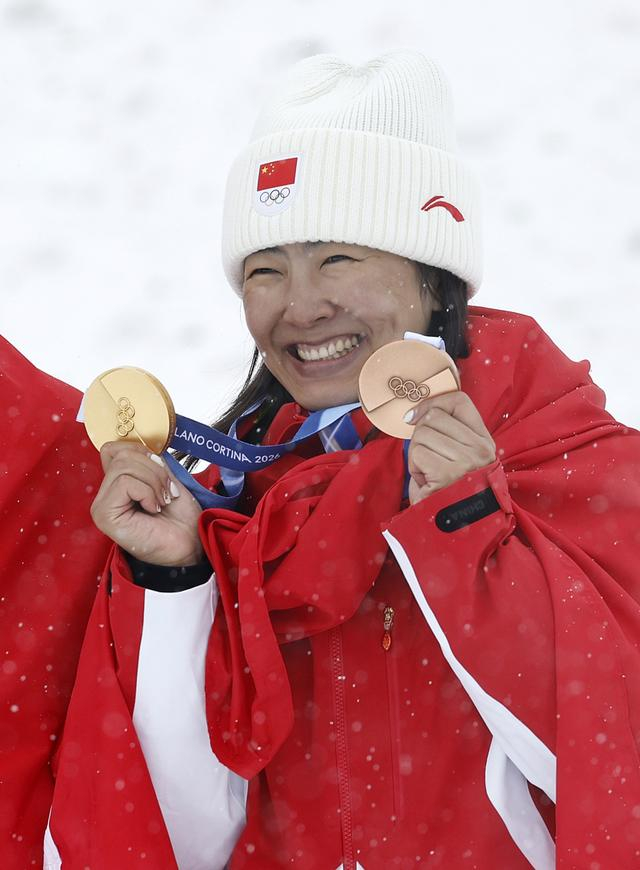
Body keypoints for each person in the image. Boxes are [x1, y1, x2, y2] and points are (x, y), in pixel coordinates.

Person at [4, 50, 640, 869]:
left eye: (338, 257)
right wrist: (176, 581)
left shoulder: (577, 467)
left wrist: (465, 528)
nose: (301, 307)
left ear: (433, 277)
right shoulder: (237, 507)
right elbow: (184, 834)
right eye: (265, 270)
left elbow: (607, 771)